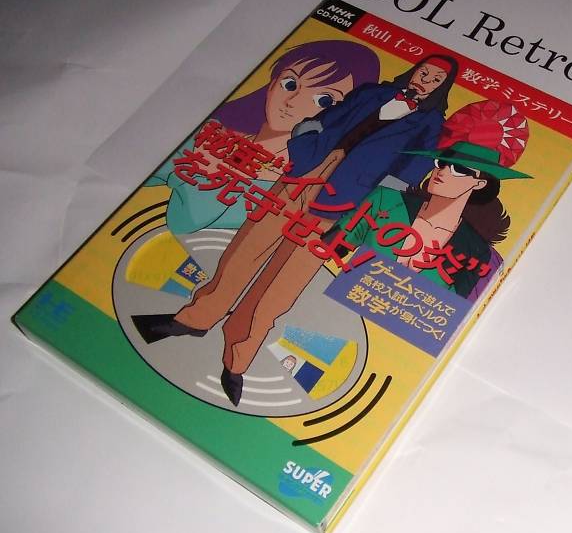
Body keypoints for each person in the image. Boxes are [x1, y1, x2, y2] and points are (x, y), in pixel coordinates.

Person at [133, 55, 460, 406]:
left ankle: (238, 358)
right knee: (247, 247)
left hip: (348, 198)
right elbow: (326, 119)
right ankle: (193, 319)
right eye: (424, 72)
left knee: (286, 281)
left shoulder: (431, 125)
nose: (426, 80)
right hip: (307, 170)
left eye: (436, 79)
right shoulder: (372, 93)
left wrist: (361, 213)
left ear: (443, 87)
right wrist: (305, 142)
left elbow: (408, 173)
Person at [144, 40, 380, 233]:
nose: (291, 101)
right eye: (290, 84)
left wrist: (208, 172)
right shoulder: (213, 128)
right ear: (272, 82)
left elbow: (185, 222)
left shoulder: (306, 180)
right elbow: (144, 171)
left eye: (324, 100)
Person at [337, 141, 531, 297]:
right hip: (343, 297)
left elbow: (455, 312)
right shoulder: (385, 200)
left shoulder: (478, 252)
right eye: (441, 163)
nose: (443, 171)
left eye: (459, 169)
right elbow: (331, 246)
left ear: (479, 183)